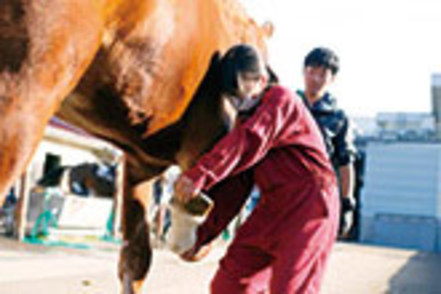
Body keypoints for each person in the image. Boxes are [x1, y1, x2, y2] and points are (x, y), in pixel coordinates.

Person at [174, 44, 340, 294]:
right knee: (229, 284)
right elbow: (235, 188)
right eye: (232, 97)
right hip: (273, 206)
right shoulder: (244, 121)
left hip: (312, 206)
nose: (238, 101)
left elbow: (251, 140)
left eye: (242, 92)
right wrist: (200, 236)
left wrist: (201, 174)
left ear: (263, 79)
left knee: (290, 288)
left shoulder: (281, 100)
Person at [297, 47, 357, 238]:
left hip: (316, 196)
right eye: (311, 71)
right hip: (281, 191)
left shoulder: (338, 118)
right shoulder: (287, 105)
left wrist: (347, 205)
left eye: (322, 74)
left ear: (332, 79)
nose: (315, 78)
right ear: (303, 71)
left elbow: (346, 163)